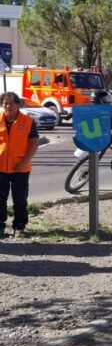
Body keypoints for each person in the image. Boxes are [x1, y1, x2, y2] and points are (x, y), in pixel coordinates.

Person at [0, 92, 40, 238]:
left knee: (20, 198)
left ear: (18, 105)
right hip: (0, 167)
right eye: (5, 103)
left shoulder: (28, 121)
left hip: (20, 167)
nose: (8, 106)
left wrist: (23, 163)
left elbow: (34, 143)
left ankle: (19, 226)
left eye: (11, 103)